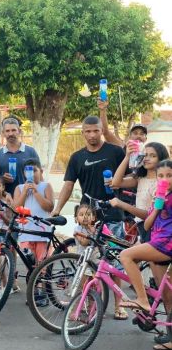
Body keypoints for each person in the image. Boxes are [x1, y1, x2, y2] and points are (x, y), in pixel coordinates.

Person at [52, 115, 127, 320]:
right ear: (83, 132)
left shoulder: (115, 151)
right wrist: (57, 209)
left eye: (96, 130)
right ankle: (88, 302)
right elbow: (68, 184)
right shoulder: (77, 157)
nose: (92, 135)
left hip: (112, 215)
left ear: (102, 130)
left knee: (114, 264)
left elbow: (130, 178)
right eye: (88, 131)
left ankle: (119, 305)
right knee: (85, 263)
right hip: (87, 218)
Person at [120, 160, 172, 350]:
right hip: (157, 242)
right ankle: (170, 337)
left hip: (166, 244)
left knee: (126, 256)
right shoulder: (159, 197)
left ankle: (141, 299)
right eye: (161, 176)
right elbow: (148, 225)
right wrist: (157, 205)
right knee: (166, 294)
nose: (165, 179)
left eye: (169, 175)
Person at [109, 142, 168, 242]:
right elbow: (116, 182)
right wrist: (127, 156)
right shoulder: (140, 178)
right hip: (140, 227)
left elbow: (149, 214)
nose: (147, 158)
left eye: (153, 156)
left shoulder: (161, 184)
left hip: (154, 229)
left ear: (161, 160)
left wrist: (121, 204)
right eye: (145, 155)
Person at [12, 159, 54, 262]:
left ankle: (42, 277)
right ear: (24, 173)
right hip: (26, 233)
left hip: (42, 233)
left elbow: (49, 207)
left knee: (42, 265)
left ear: (41, 172)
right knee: (29, 264)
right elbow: (16, 208)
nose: (31, 174)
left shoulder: (46, 186)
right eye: (28, 171)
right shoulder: (20, 188)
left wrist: (36, 192)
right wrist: (25, 192)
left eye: (34, 170)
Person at [0, 116, 40, 196]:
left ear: (19, 131)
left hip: (28, 197)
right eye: (7, 131)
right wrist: (2, 179)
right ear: (3, 133)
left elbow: (39, 176)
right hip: (6, 199)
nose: (10, 134)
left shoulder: (31, 151)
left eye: (13, 130)